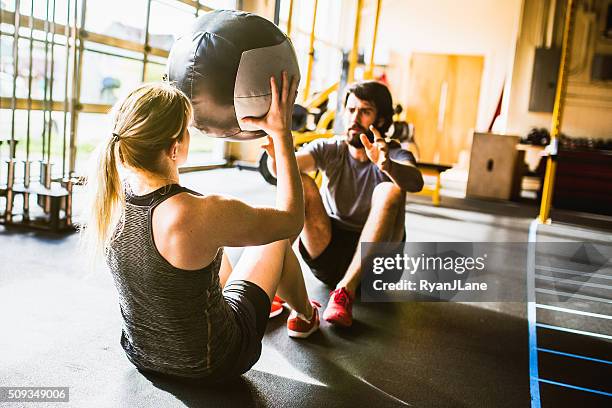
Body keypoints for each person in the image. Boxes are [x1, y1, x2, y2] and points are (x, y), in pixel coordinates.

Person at [82, 72, 320, 382]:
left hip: (141, 356)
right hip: (215, 363)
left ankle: (269, 300)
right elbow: (291, 219)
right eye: (188, 129)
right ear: (174, 147)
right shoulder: (201, 212)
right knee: (273, 240)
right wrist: (282, 135)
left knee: (210, 249)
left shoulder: (108, 199)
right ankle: (306, 314)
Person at [265, 80, 424, 327]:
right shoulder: (331, 148)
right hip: (329, 255)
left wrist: (388, 166)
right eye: (351, 110)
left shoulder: (394, 153)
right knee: (302, 182)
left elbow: (415, 183)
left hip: (377, 270)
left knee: (391, 190)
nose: (354, 118)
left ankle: (345, 292)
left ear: (381, 119)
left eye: (365, 111)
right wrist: (277, 150)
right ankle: (273, 279)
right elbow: (282, 170)